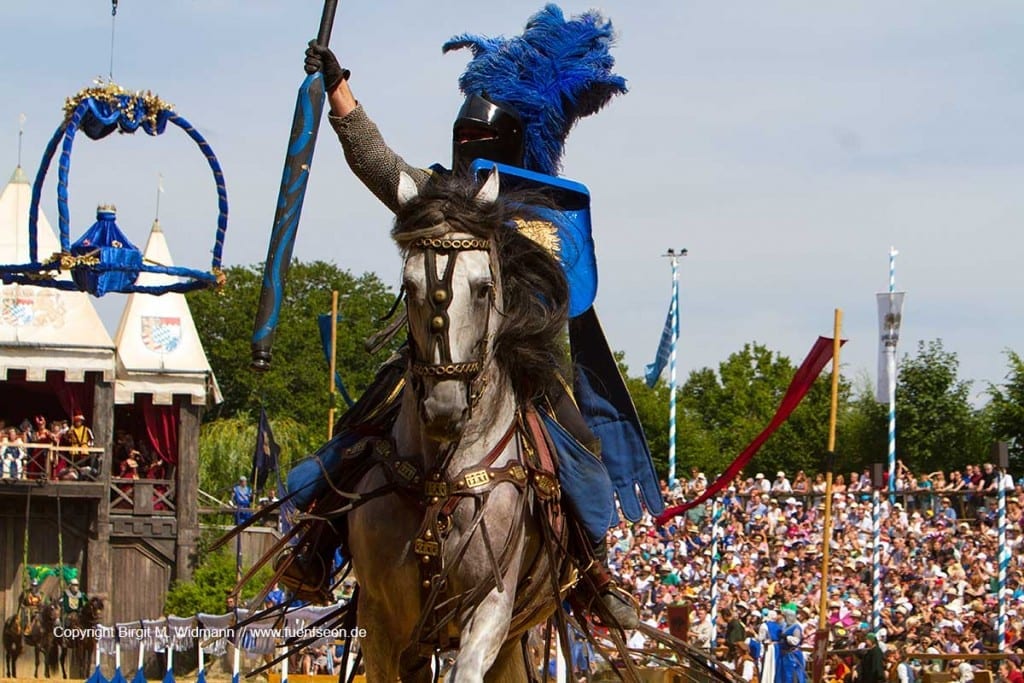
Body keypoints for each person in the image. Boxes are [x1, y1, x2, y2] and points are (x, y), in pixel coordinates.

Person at [298, 4, 649, 629]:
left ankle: (591, 572)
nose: (467, 147)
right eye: (463, 137)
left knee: (579, 446)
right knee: (360, 431)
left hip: (519, 368)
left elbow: (555, 303)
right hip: (436, 356)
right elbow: (378, 162)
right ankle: (316, 544)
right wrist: (338, 86)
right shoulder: (438, 195)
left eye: (479, 140)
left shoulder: (545, 217)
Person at [778, 604, 806, 683]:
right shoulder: (785, 626)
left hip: (792, 655)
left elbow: (796, 641)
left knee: (792, 674)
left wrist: (787, 637)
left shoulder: (796, 627)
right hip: (785, 654)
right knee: (784, 674)